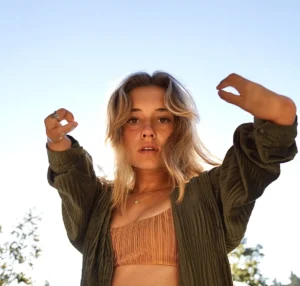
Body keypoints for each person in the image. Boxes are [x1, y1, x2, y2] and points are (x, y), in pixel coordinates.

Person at [45, 72, 298, 286]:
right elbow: (73, 183)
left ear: (179, 130)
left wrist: (279, 112)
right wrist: (57, 141)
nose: (147, 131)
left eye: (163, 118)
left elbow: (256, 159)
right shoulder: (100, 205)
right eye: (134, 119)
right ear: (119, 131)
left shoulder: (209, 193)